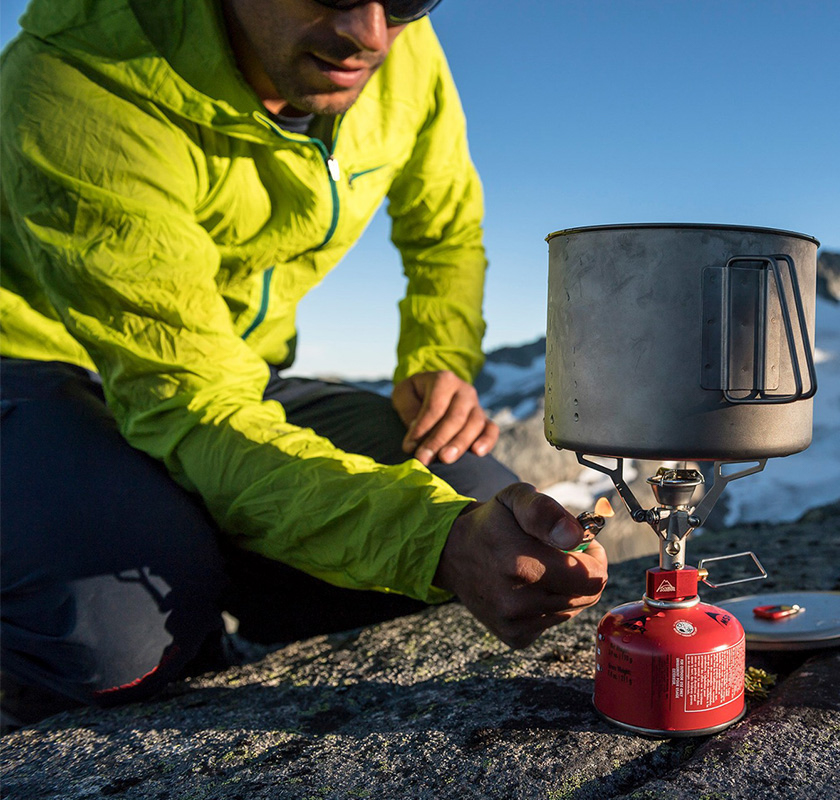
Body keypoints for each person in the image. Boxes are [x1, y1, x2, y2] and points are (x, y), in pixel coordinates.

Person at [0, 0, 607, 726]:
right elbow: (191, 403)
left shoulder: (399, 46)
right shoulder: (80, 78)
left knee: (474, 492)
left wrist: (437, 358)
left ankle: (217, 576)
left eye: (407, 1)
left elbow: (444, 228)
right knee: (111, 638)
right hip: (41, 363)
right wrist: (428, 540)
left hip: (236, 368)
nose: (369, 36)